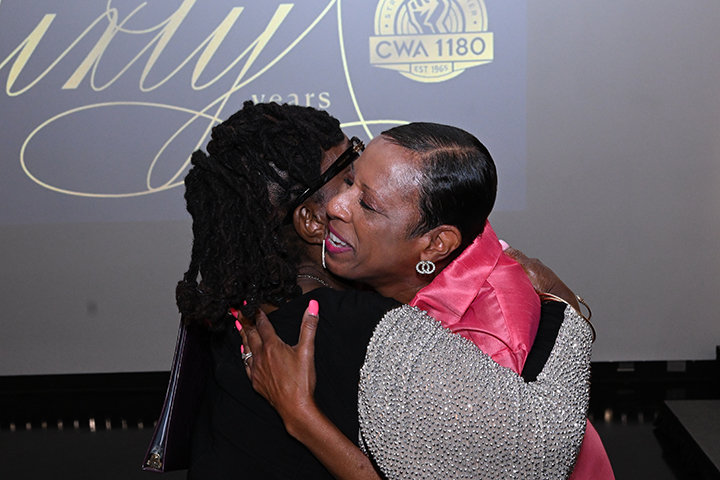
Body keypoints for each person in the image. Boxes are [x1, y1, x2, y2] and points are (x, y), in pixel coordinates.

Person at [177, 103, 605, 478]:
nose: (341, 204)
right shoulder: (370, 330)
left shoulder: (240, 304)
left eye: (364, 195)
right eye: (348, 180)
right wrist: (563, 305)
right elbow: (539, 455)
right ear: (308, 220)